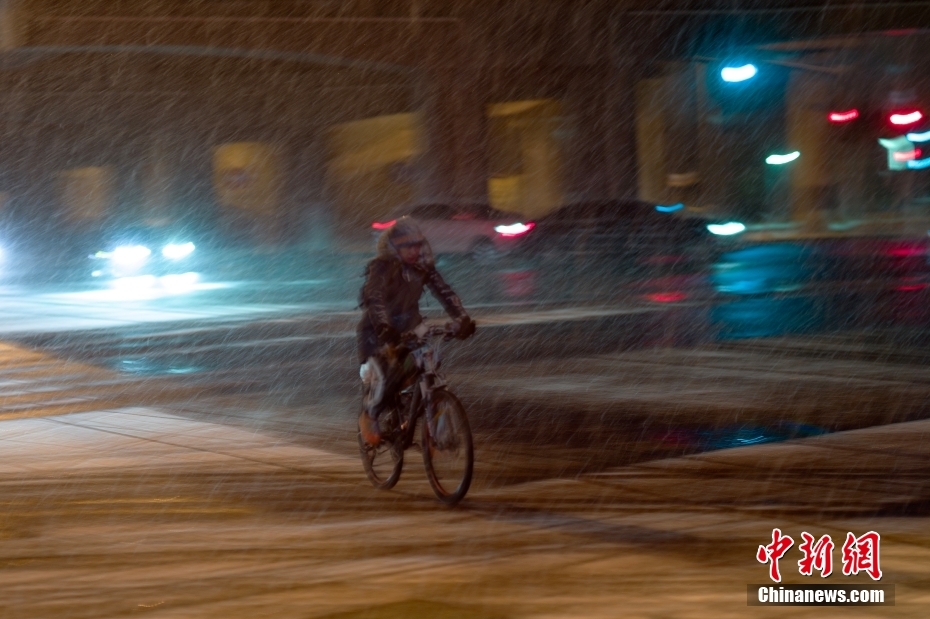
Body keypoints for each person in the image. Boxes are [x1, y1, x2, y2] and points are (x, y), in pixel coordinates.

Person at [357, 217, 476, 445]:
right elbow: (376, 298)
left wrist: (462, 319)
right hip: (376, 332)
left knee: (428, 361)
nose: (414, 251)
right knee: (386, 374)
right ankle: (370, 414)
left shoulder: (422, 268)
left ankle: (430, 415)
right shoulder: (381, 268)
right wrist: (384, 327)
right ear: (394, 248)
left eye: (417, 245)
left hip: (411, 328)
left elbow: (444, 293)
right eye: (407, 246)